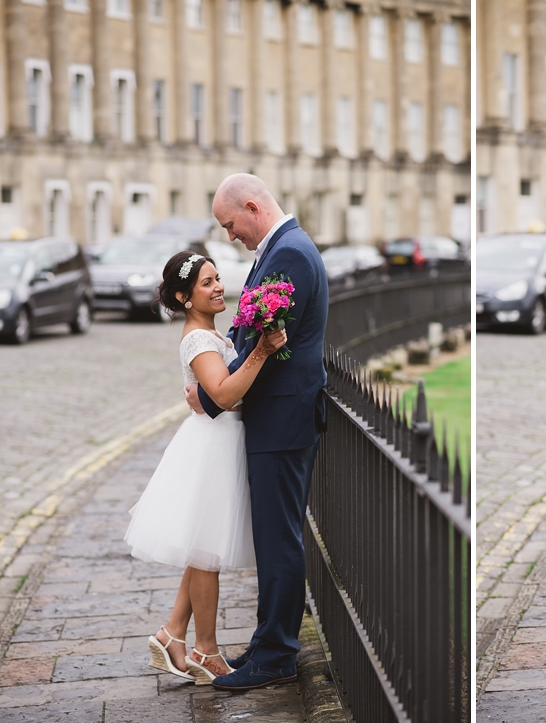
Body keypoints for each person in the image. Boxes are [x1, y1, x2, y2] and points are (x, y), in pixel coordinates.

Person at [185, 173, 329, 691]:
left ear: (251, 207)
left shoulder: (288, 252)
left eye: (230, 225)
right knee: (276, 536)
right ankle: (269, 641)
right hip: (280, 415)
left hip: (283, 418)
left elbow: (267, 342)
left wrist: (209, 394)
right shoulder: (284, 247)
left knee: (279, 540)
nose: (230, 236)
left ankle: (277, 656)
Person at [125, 251, 287, 685]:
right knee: (207, 554)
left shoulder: (211, 332)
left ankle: (173, 633)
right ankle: (206, 650)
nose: (218, 287)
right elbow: (223, 394)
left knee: (202, 551)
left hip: (219, 441)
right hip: (212, 447)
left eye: (217, 278)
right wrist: (263, 353)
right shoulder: (197, 339)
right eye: (206, 283)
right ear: (184, 296)